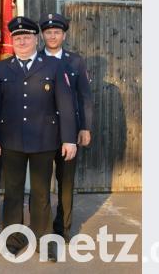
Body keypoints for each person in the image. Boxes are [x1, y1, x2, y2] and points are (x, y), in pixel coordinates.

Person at [0, 16, 76, 261]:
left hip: (44, 140)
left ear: (36, 39)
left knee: (41, 193)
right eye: (17, 38)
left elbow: (65, 104)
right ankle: (13, 239)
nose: (22, 41)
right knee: (13, 192)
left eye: (26, 37)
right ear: (12, 41)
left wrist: (69, 139)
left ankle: (43, 241)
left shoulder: (53, 66)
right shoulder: (2, 68)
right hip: (11, 140)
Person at [39, 13, 93, 238]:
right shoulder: (35, 59)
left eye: (57, 32)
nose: (52, 36)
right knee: (40, 183)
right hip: (41, 132)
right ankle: (41, 227)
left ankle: (63, 227)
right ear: (42, 35)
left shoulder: (75, 61)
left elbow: (84, 96)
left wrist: (85, 127)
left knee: (66, 182)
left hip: (69, 131)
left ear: (64, 35)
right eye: (48, 32)